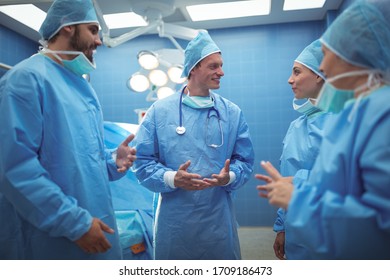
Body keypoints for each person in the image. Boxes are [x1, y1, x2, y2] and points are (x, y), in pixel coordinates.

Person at [0, 0, 136, 260]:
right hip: (49, 235)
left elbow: (77, 160)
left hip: (92, 221)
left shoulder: (81, 87)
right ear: (68, 28)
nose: (99, 41)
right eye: (93, 30)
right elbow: (16, 168)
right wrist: (74, 223)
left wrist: (110, 160)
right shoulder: (27, 80)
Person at [256, 0, 390, 259]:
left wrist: (298, 198)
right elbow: (343, 183)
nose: (324, 67)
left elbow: (379, 225)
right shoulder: (358, 113)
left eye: (327, 54)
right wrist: (299, 185)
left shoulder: (380, 114)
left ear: (354, 54)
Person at [132, 30, 254, 260]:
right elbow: (142, 162)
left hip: (218, 216)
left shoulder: (232, 113)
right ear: (193, 68)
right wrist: (171, 178)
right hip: (175, 220)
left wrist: (229, 177)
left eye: (221, 65)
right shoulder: (159, 111)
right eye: (213, 66)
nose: (221, 72)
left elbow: (245, 161)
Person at [256, 39, 330, 260]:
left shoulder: (346, 122)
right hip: (296, 233)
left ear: (318, 75)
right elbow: (284, 180)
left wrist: (298, 181)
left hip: (329, 231)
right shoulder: (296, 126)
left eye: (297, 72)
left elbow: (351, 182)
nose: (290, 80)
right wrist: (282, 227)